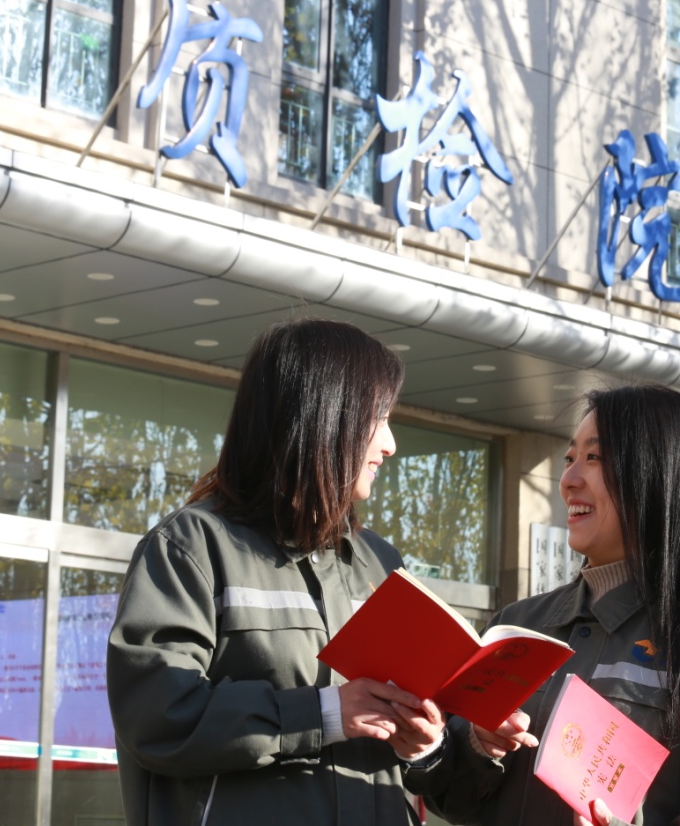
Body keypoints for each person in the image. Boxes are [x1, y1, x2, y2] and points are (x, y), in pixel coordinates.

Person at [107, 318, 445, 826]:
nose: (390, 444)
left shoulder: (382, 565)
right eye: (379, 418)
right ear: (322, 417)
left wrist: (423, 744)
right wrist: (325, 713)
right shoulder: (192, 548)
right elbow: (157, 717)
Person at [402, 384, 680, 826]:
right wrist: (475, 744)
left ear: (658, 474)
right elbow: (450, 800)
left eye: (594, 458)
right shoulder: (517, 624)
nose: (568, 480)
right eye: (569, 459)